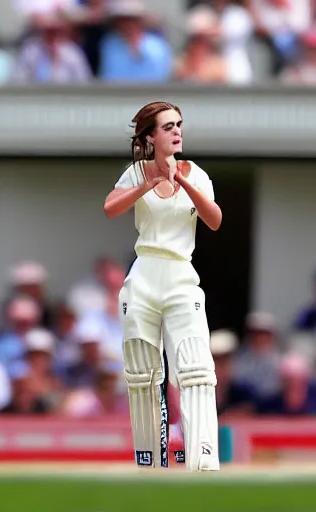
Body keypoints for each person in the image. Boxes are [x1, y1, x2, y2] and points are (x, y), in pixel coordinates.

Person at [103, 101, 222, 472]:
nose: (177, 132)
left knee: (196, 369)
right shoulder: (135, 172)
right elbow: (110, 208)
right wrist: (147, 184)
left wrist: (181, 180)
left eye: (179, 125)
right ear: (150, 136)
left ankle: (202, 463)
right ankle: (150, 465)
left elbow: (215, 220)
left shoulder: (195, 173)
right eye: (168, 127)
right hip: (144, 277)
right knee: (143, 374)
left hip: (181, 275)